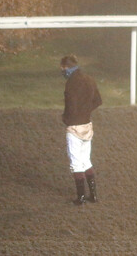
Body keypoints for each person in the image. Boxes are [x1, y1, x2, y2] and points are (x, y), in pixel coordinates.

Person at [60, 55, 102, 205]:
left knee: (76, 162)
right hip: (87, 125)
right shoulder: (89, 79)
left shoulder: (71, 83)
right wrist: (86, 111)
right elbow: (98, 100)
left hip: (74, 126)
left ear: (66, 66)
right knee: (86, 161)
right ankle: (94, 195)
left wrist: (67, 118)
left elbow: (70, 105)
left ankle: (81, 197)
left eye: (63, 68)